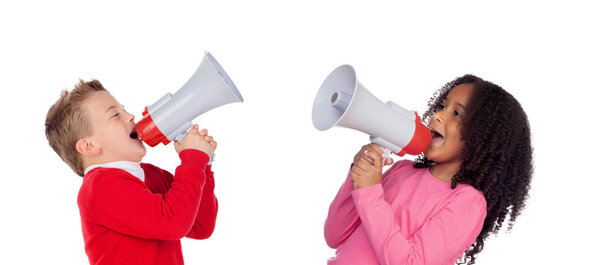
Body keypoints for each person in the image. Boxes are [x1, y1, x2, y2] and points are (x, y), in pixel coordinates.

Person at [324, 74, 533, 265]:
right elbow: (334, 235)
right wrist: (357, 179)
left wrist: (370, 193)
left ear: (484, 139)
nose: (438, 116)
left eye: (457, 113)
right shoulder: (402, 170)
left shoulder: (468, 202)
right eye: (442, 106)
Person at [45, 79, 218, 265]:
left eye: (124, 109)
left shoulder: (152, 174)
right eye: (115, 115)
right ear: (89, 145)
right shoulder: (101, 186)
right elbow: (173, 223)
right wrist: (192, 161)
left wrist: (202, 165)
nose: (130, 116)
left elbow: (201, 226)